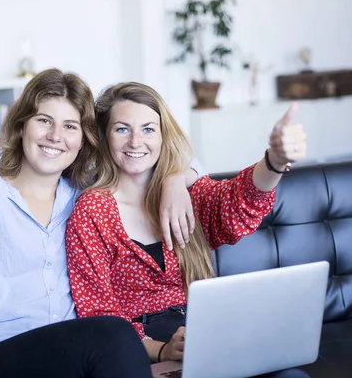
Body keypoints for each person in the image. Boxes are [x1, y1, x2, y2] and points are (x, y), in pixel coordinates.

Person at [0, 69, 202, 378]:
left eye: (70, 126)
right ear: (22, 126)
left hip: (64, 357)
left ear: (83, 140)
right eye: (44, 120)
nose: (55, 136)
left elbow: (177, 161)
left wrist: (174, 179)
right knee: (115, 334)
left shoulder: (85, 198)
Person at [65, 82, 308, 364]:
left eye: (148, 129)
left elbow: (238, 200)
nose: (135, 141)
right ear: (104, 137)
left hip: (205, 331)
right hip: (138, 346)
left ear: (162, 137)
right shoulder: (92, 210)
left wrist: (274, 161)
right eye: (122, 129)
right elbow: (98, 311)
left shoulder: (187, 193)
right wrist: (160, 349)